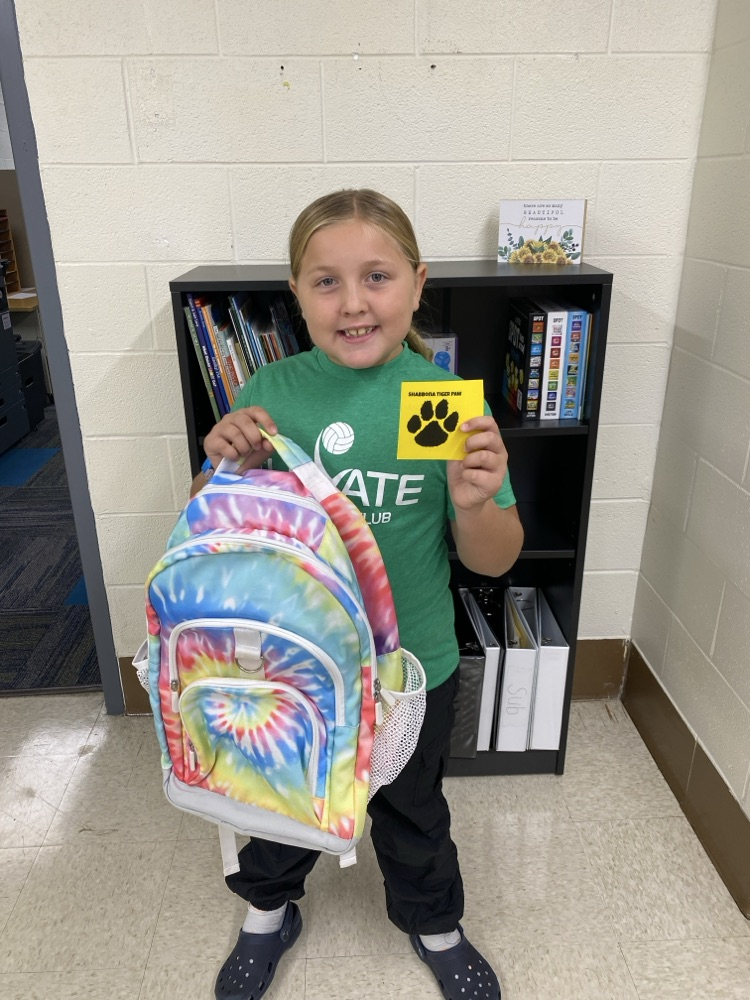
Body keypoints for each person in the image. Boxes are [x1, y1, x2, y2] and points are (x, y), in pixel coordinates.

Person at [191, 189, 524, 1000]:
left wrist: (475, 503)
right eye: (326, 281)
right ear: (297, 294)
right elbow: (211, 524)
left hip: (410, 665)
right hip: (294, 661)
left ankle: (433, 923)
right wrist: (221, 470)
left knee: (412, 811)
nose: (353, 303)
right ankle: (268, 913)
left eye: (376, 276)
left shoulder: (440, 401)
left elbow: (492, 560)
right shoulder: (273, 389)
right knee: (282, 800)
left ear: (417, 283)